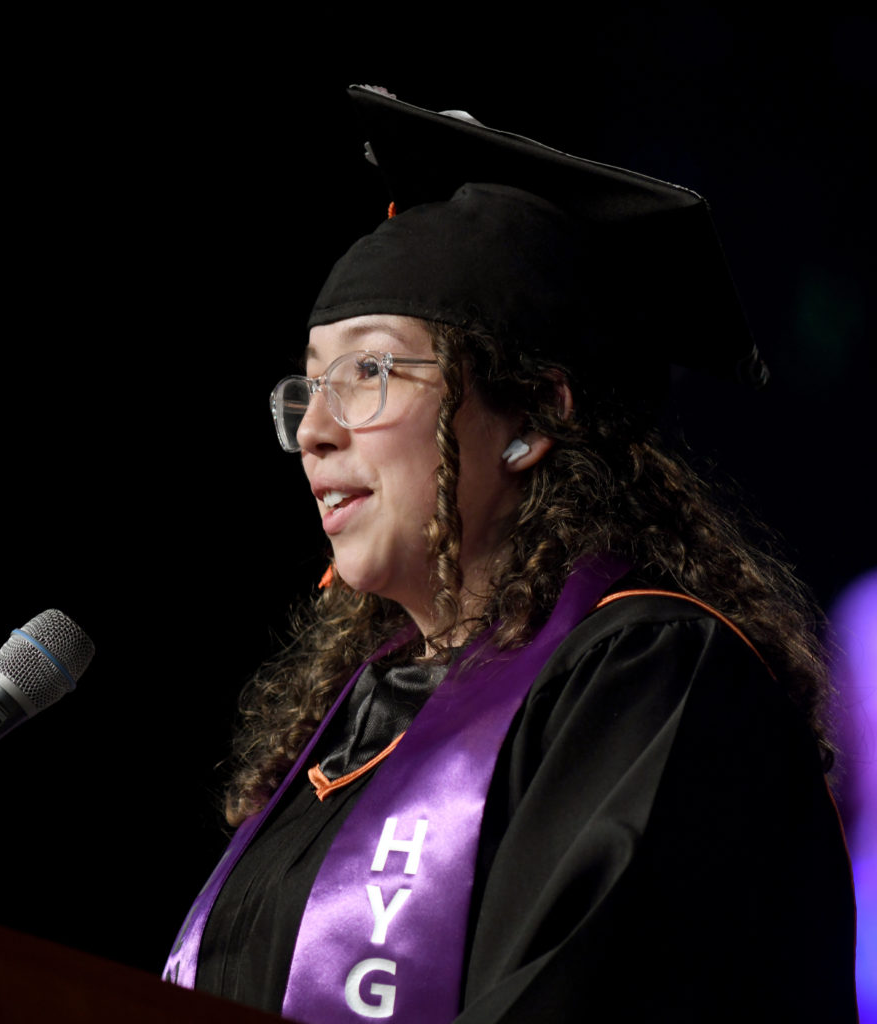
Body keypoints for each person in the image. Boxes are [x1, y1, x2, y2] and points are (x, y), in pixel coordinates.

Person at [164, 88, 858, 1021]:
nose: (316, 432)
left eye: (369, 371)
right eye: (311, 385)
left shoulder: (651, 684)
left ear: (531, 418)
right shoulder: (350, 723)